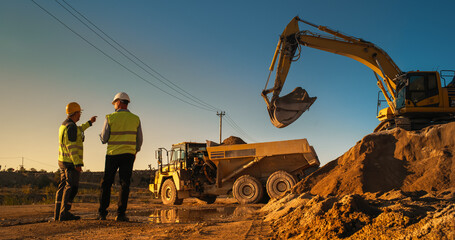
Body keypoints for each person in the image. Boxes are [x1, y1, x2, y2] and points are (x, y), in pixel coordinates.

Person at [98, 92, 143, 221]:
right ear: (126, 103)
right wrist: (135, 151)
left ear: (118, 102)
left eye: (114, 103)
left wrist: (100, 136)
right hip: (128, 155)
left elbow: (104, 139)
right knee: (125, 184)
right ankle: (121, 214)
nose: (114, 106)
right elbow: (139, 140)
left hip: (112, 154)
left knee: (107, 183)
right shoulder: (136, 118)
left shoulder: (110, 117)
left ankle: (102, 213)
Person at [55, 102, 97, 221]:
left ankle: (58, 213)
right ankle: (65, 214)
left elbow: (80, 129)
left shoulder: (65, 125)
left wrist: (90, 122)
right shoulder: (71, 127)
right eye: (79, 113)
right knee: (72, 187)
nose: (80, 115)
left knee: (63, 187)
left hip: (62, 161)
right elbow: (71, 147)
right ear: (75, 113)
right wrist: (77, 164)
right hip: (70, 162)